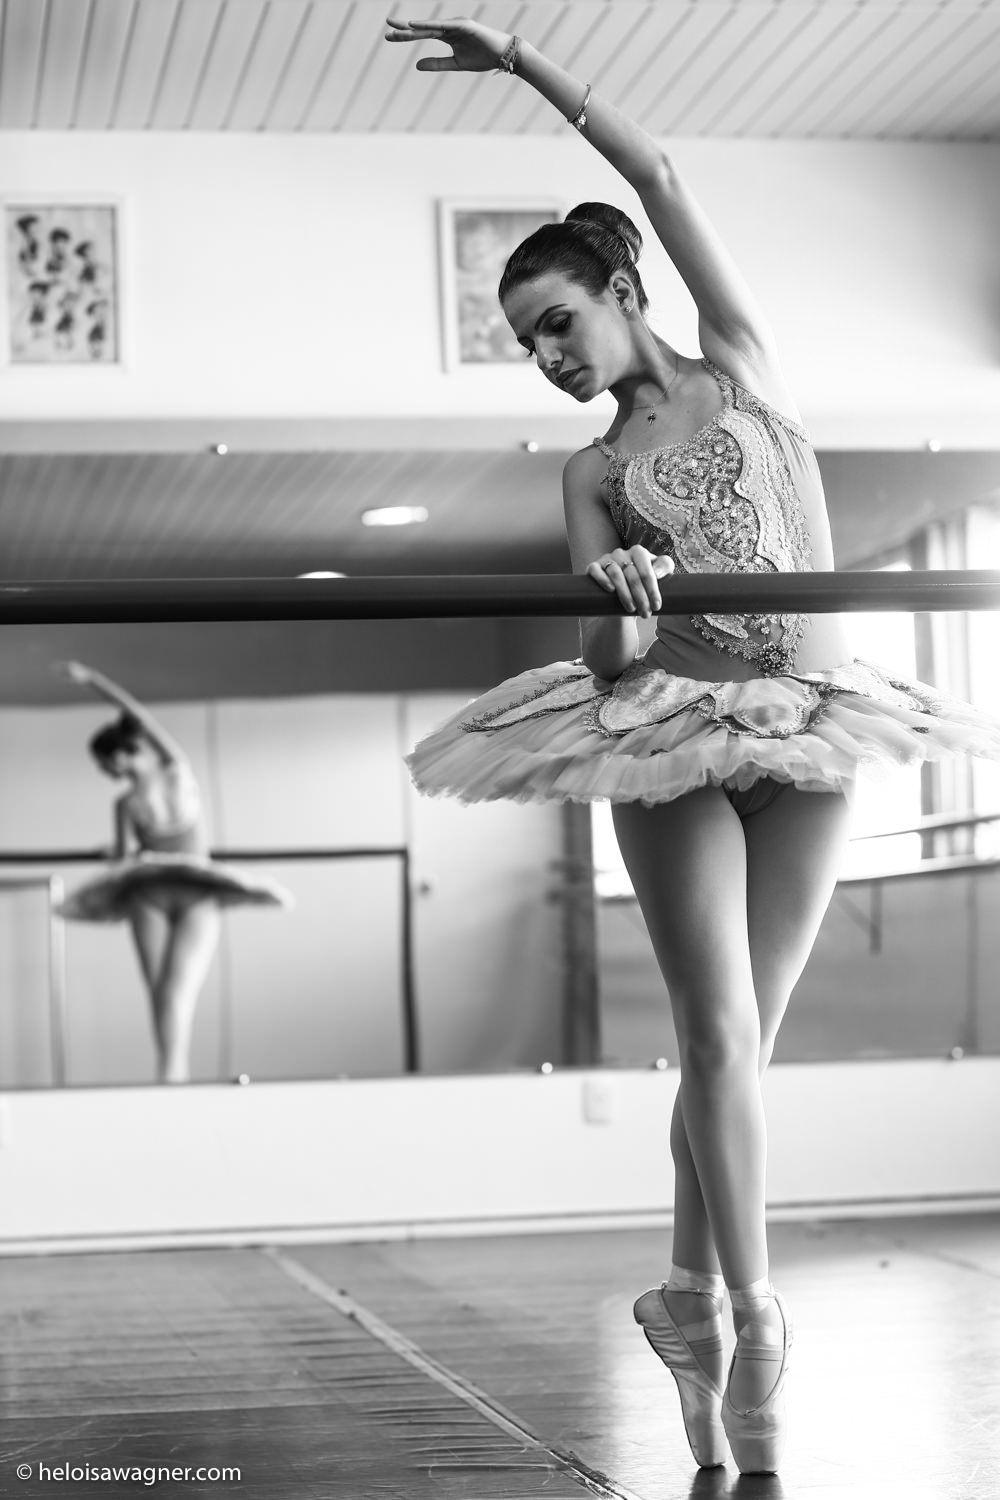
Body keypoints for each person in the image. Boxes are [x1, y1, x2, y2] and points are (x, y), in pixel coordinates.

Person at [386, 14, 1000, 1477]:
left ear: (619, 291)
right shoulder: (590, 471)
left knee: (743, 1053)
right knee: (716, 1038)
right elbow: (609, 665)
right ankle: (754, 1317)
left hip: (816, 730)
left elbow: (658, 174)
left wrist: (524, 62)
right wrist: (617, 601)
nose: (545, 356)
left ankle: (680, 1295)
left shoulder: (743, 363)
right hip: (668, 735)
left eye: (556, 322)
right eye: (526, 342)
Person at [57, 662, 292, 1085]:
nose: (106, 774)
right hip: (177, 892)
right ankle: (171, 1078)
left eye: (104, 765)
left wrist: (93, 680)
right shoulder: (162, 780)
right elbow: (125, 857)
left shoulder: (158, 779)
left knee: (167, 993)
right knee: (170, 993)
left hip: (162, 893)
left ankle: (171, 1078)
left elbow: (139, 717)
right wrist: (91, 681)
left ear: (119, 754)